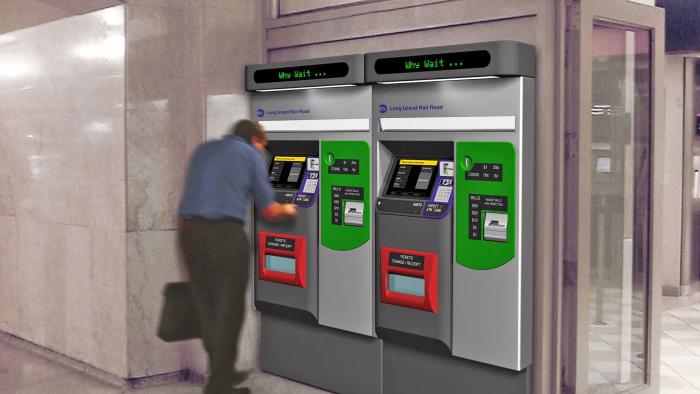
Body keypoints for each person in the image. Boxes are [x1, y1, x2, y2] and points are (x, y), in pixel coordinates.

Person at [178, 120, 297, 394]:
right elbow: (270, 210)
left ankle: (223, 370)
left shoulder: (205, 150)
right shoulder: (250, 155)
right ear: (255, 140)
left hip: (189, 231)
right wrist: (291, 209)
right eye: (263, 145)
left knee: (206, 303)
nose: (263, 150)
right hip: (223, 234)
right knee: (229, 308)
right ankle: (219, 385)